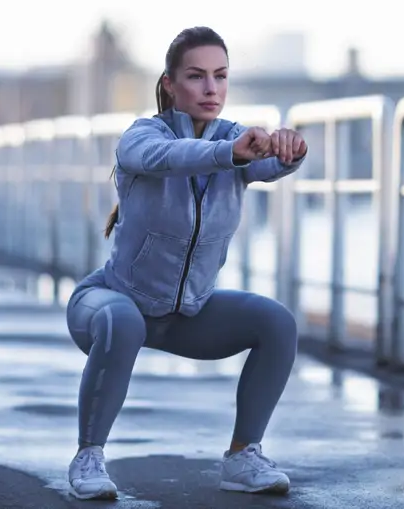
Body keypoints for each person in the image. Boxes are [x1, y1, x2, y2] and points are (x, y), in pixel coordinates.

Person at [65, 26, 308, 501]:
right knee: (121, 319)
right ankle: (88, 458)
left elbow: (264, 164)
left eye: (220, 76)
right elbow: (169, 157)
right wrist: (228, 154)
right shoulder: (142, 136)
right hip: (110, 305)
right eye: (196, 76)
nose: (211, 88)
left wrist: (289, 150)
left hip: (184, 317)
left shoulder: (237, 139)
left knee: (276, 322)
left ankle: (243, 457)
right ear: (170, 84)